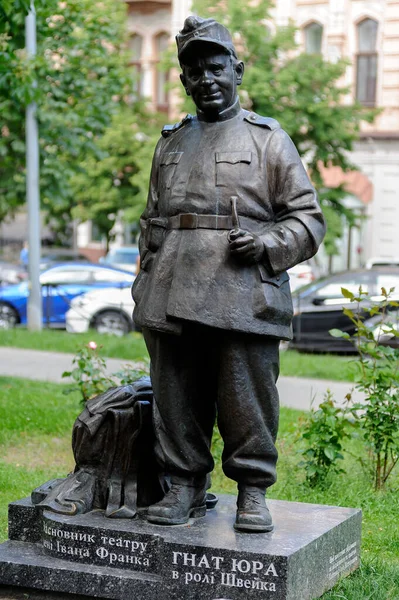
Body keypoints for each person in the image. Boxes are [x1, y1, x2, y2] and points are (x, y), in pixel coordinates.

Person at [132, 15, 326, 532]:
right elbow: (153, 219)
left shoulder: (268, 139)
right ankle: (183, 486)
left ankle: (252, 490)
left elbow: (308, 219)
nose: (206, 80)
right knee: (175, 393)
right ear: (184, 81)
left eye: (216, 67)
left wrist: (267, 243)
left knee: (247, 398)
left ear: (237, 70)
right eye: (194, 72)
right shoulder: (170, 141)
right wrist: (144, 283)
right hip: (171, 288)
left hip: (242, 291)